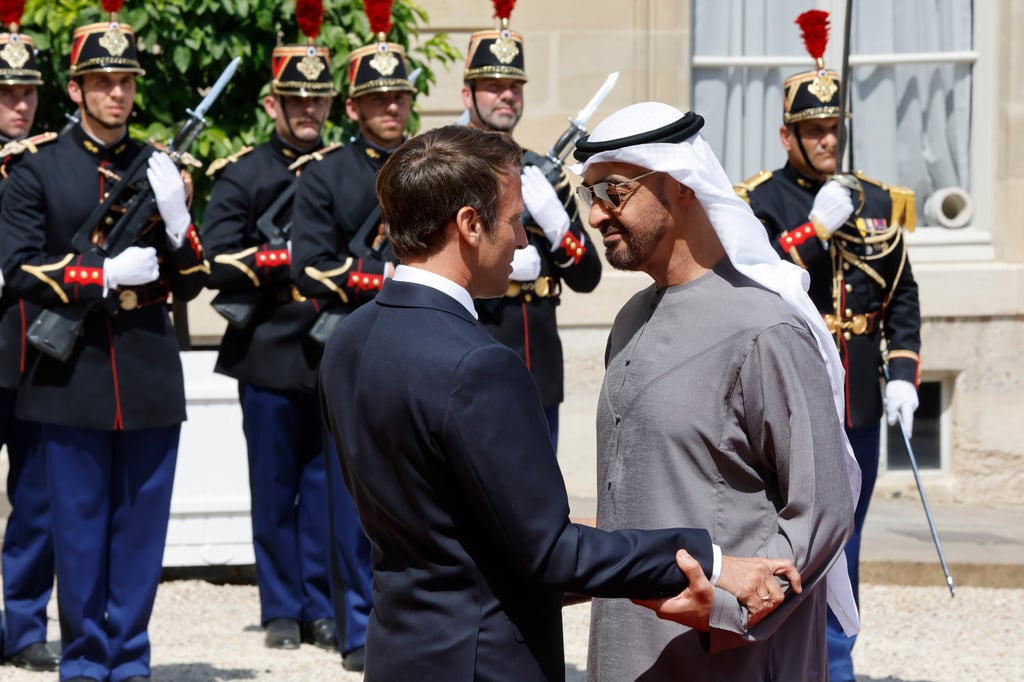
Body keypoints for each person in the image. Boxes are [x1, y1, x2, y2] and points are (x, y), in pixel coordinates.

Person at [318, 123, 805, 681]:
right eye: (514, 221)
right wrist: (714, 563)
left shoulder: (348, 342)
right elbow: (552, 553)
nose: (523, 242)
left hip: (398, 655)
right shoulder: (479, 365)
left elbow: (455, 521)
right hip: (484, 663)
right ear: (471, 225)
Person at [572, 102, 858, 681]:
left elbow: (823, 509)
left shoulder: (765, 328)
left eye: (615, 192)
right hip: (625, 652)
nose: (597, 215)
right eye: (591, 195)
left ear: (680, 185)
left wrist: (727, 606)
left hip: (729, 659)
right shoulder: (629, 321)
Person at [0, 7, 209, 680]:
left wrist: (176, 220)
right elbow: (18, 268)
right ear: (76, 90)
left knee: (142, 531)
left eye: (125, 81)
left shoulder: (160, 166)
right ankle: (87, 661)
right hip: (71, 375)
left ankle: (131, 659)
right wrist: (102, 276)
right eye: (101, 81)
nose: (116, 93)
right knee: (80, 532)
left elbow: (195, 280)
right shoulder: (36, 169)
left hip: (147, 369)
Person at [735, 15, 921, 680]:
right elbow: (754, 282)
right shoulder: (760, 201)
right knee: (789, 533)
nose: (827, 139)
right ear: (787, 135)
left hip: (858, 398)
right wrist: (812, 232)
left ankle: (836, 664)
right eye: (813, 129)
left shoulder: (876, 200)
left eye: (834, 127)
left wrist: (903, 375)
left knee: (847, 536)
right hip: (793, 392)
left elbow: (901, 294)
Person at [201, 16, 340, 654]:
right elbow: (215, 258)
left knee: (328, 486)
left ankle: (324, 604)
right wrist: (284, 258)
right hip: (268, 343)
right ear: (272, 105)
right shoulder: (245, 173)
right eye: (296, 99)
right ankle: (281, 606)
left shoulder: (342, 169)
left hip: (332, 341)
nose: (309, 110)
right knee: (274, 483)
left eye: (318, 99)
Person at [288, 24, 416, 674]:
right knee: (351, 491)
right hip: (357, 345)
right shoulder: (326, 173)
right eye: (377, 98)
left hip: (421, 346)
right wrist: (380, 276)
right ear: (354, 106)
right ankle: (358, 628)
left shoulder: (431, 166)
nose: (392, 107)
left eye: (400, 96)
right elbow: (308, 264)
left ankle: (410, 618)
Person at [461, 4, 601, 448]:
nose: (507, 96)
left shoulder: (543, 173)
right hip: (474, 353)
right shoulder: (449, 169)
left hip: (538, 364)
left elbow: (588, 276)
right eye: (493, 86)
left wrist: (559, 230)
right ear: (467, 95)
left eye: (515, 87)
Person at [0, 18, 60, 674]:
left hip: (34, 352)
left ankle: (22, 625)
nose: (19, 105)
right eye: (5, 93)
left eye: (27, 93)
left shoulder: (49, 163)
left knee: (38, 499)